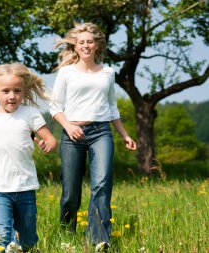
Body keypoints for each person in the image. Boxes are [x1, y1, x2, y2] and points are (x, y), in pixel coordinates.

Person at [49, 22, 137, 252]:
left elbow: (112, 108)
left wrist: (125, 135)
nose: (86, 45)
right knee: (70, 191)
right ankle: (66, 234)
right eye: (81, 42)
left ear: (97, 45)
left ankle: (98, 239)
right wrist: (68, 126)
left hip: (101, 132)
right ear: (75, 47)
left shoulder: (108, 72)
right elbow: (54, 106)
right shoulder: (66, 72)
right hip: (72, 134)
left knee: (102, 184)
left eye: (90, 41)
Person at [0, 63, 57, 252]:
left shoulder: (30, 114)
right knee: (1, 234)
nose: (12, 96)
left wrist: (47, 144)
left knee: (28, 239)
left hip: (25, 186)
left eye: (17, 91)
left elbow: (50, 139)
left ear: (24, 91)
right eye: (6, 91)